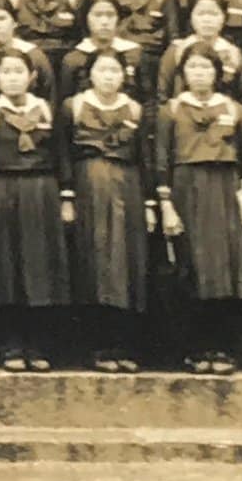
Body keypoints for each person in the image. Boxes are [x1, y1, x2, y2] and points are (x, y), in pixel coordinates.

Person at [158, 49, 242, 373]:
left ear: (217, 72)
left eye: (206, 67)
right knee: (192, 268)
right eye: (193, 67)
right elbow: (161, 159)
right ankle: (195, 349)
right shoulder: (172, 110)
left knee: (224, 272)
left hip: (225, 190)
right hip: (186, 188)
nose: (200, 73)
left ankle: (221, 348)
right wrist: (166, 205)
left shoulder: (234, 110)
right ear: (183, 73)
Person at [0, 48, 70, 371]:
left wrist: (66, 195)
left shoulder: (45, 110)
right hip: (2, 189)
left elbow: (61, 155)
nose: (12, 79)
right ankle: (10, 345)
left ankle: (37, 344)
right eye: (5, 73)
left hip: (40, 190)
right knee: (6, 268)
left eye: (18, 72)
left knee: (39, 267)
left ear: (32, 77)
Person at [62, 49, 151, 373]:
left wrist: (151, 202)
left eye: (115, 70)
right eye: (103, 70)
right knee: (96, 262)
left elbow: (144, 157)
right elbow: (63, 152)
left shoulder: (135, 109)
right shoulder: (74, 106)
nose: (109, 76)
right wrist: (67, 195)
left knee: (126, 264)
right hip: (89, 187)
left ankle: (123, 344)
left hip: (127, 187)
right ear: (91, 74)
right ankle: (98, 346)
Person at [159, 0, 242, 106]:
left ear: (224, 17)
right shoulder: (177, 51)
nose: (207, 20)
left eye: (213, 14)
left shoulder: (233, 53)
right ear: (191, 18)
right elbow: (163, 94)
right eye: (201, 14)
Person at [57, 0, 146, 106]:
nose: (104, 22)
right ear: (86, 19)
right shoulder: (73, 59)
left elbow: (147, 100)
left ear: (118, 19)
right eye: (97, 15)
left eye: (110, 15)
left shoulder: (134, 53)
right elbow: (66, 101)